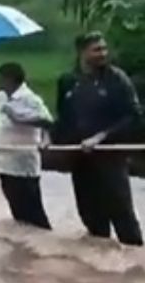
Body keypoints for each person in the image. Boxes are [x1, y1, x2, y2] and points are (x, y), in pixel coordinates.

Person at [54, 32, 142, 246]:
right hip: (80, 158)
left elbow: (133, 116)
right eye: (96, 50)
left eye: (104, 48)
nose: (103, 53)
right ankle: (100, 260)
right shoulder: (68, 81)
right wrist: (50, 138)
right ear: (81, 52)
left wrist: (101, 137)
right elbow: (63, 118)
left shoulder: (116, 79)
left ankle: (135, 260)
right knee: (90, 214)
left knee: (122, 212)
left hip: (110, 157)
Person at [0, 63, 53, 230]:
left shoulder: (31, 99)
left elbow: (47, 121)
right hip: (4, 163)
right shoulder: (2, 97)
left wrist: (20, 118)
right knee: (18, 211)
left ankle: (45, 240)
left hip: (23, 165)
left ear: (9, 79)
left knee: (34, 212)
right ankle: (27, 242)